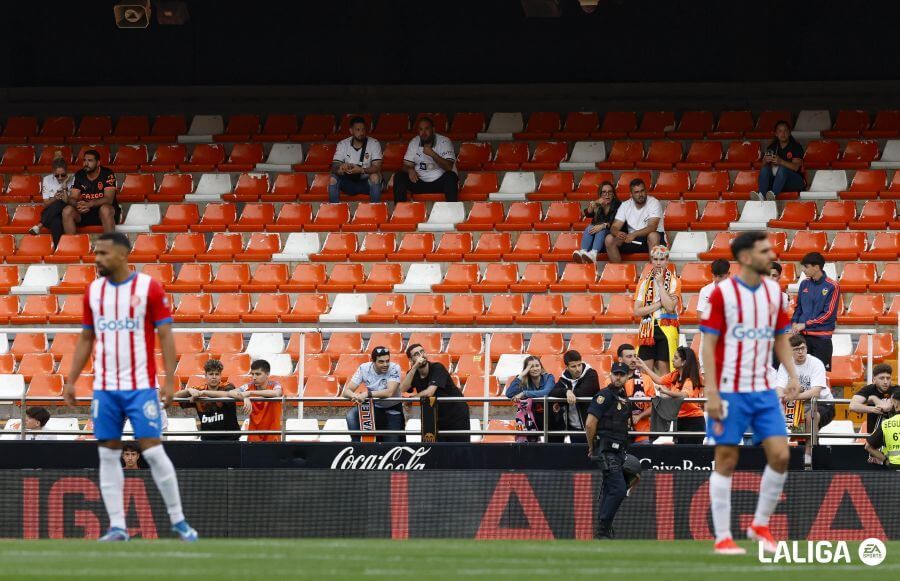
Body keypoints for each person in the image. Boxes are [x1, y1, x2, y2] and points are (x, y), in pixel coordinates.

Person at [61, 231, 197, 542]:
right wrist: (70, 379)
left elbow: (165, 334)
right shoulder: (93, 292)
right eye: (95, 254)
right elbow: (86, 337)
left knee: (153, 450)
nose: (97, 259)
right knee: (108, 455)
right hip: (105, 389)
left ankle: (178, 520)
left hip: (140, 387)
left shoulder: (148, 287)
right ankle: (117, 526)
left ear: (122, 255)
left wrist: (170, 380)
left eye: (103, 254)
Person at [700, 230, 799, 555]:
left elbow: (781, 338)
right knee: (726, 459)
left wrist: (792, 374)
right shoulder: (722, 294)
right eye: (764, 251)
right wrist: (711, 392)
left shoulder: (774, 292)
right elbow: (708, 345)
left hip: (763, 389)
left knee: (781, 454)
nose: (771, 255)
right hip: (729, 390)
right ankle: (723, 537)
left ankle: (760, 524)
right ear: (745, 258)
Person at [585, 362, 640, 539]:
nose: (618, 377)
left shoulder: (624, 399)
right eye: (615, 374)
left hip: (618, 451)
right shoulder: (604, 395)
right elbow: (589, 423)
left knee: (611, 490)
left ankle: (602, 531)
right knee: (618, 489)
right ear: (610, 375)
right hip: (606, 450)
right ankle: (603, 528)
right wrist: (592, 445)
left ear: (627, 377)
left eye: (622, 375)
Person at [777, 335, 833, 465]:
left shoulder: (816, 363)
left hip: (823, 404)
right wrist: (786, 397)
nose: (800, 352)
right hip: (796, 404)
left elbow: (816, 392)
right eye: (796, 349)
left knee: (810, 416)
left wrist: (793, 395)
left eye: (803, 348)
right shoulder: (785, 364)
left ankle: (809, 454)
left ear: (807, 348)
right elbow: (779, 389)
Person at [399, 344, 470, 442]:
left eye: (422, 352)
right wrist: (414, 367)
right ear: (411, 360)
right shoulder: (413, 372)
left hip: (455, 413)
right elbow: (403, 388)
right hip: (434, 415)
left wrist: (411, 399)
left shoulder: (437, 368)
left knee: (459, 449)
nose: (421, 355)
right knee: (434, 450)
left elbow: (429, 392)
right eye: (416, 354)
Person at [636, 347, 705, 444]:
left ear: (684, 362)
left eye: (676, 358)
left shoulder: (690, 379)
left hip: (694, 421)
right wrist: (644, 366)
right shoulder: (674, 375)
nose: (672, 360)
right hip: (680, 419)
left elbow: (683, 395)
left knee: (692, 454)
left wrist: (666, 392)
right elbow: (658, 380)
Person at [633, 245, 681, 375]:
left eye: (662, 259)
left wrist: (660, 284)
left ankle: (665, 395)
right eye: (655, 259)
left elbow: (670, 308)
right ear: (651, 260)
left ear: (667, 260)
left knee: (665, 370)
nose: (658, 263)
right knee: (644, 370)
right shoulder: (643, 282)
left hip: (667, 328)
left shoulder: (674, 281)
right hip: (647, 328)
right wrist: (660, 303)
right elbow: (637, 312)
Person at [342, 346, 404, 442]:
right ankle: (357, 445)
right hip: (375, 408)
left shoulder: (395, 367)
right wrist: (356, 397)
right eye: (381, 361)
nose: (385, 364)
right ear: (373, 361)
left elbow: (389, 392)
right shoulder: (364, 368)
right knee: (351, 415)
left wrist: (368, 394)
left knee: (391, 445)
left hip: (394, 409)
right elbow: (346, 391)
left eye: (387, 361)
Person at [791, 252, 839, 371]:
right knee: (800, 375)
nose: (803, 270)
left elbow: (828, 314)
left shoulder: (832, 286)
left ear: (816, 267)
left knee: (817, 377)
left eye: (806, 267)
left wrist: (805, 324)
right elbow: (799, 307)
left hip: (821, 340)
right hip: (802, 339)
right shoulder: (804, 283)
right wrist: (794, 322)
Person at [393, 117, 458, 203]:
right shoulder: (414, 142)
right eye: (421, 129)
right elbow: (405, 166)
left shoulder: (444, 141)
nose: (423, 133)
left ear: (433, 130)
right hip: (420, 182)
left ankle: (452, 211)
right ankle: (400, 212)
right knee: (399, 176)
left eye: (426, 129)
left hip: (440, 183)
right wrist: (410, 170)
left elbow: (449, 167)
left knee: (451, 176)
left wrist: (433, 154)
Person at [174, 359, 240, 441]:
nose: (214, 377)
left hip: (230, 438)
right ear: (205, 375)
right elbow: (175, 396)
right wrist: (188, 390)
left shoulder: (228, 387)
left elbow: (228, 394)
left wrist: (204, 393)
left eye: (217, 374)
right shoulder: (199, 390)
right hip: (207, 439)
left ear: (221, 375)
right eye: (211, 374)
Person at [604, 178, 666, 264]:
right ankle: (618, 273)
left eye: (642, 191)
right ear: (631, 195)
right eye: (636, 192)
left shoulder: (654, 203)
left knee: (653, 235)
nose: (640, 194)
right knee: (609, 239)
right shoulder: (625, 205)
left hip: (651, 238)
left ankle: (655, 273)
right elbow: (614, 226)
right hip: (632, 239)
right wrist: (617, 233)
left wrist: (634, 234)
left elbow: (652, 227)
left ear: (646, 191)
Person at [62, 149, 120, 235]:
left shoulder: (107, 173)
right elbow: (72, 198)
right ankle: (72, 245)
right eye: (84, 160)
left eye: (90, 161)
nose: (86, 163)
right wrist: (78, 205)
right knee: (67, 210)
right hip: (85, 212)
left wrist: (89, 204)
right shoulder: (79, 174)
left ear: (98, 163)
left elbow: (109, 199)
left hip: (103, 213)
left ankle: (110, 245)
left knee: (105, 209)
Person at [548, 350, 600, 443]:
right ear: (567, 367)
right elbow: (552, 392)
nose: (578, 369)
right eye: (573, 366)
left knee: (593, 456)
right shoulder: (564, 379)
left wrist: (562, 401)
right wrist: (566, 391)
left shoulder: (591, 374)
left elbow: (583, 393)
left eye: (579, 365)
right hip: (574, 428)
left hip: (593, 426)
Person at [328, 116, 383, 203]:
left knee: (375, 176)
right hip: (348, 182)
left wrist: (361, 170)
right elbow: (334, 166)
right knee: (333, 179)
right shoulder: (343, 144)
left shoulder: (374, 143)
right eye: (358, 129)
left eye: (363, 129)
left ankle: (375, 210)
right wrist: (342, 167)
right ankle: (334, 211)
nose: (361, 132)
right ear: (351, 131)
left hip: (366, 182)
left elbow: (377, 167)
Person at [504, 355, 557, 442]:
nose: (535, 369)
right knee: (530, 449)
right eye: (531, 367)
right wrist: (521, 375)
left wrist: (525, 393)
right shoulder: (524, 381)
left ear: (541, 367)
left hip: (550, 419)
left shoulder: (548, 377)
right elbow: (509, 393)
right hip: (530, 419)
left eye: (537, 365)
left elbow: (546, 392)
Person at [752, 120, 805, 201]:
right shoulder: (772, 147)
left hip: (795, 181)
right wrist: (765, 161)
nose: (783, 134)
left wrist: (781, 161)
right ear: (776, 134)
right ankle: (761, 195)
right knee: (765, 169)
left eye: (785, 131)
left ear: (789, 132)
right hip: (778, 181)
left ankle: (773, 194)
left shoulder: (796, 146)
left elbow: (796, 167)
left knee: (782, 169)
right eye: (780, 131)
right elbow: (763, 168)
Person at [234, 359, 282, 443]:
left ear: (267, 374)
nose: (254, 377)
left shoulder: (275, 385)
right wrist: (244, 398)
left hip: (272, 437)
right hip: (253, 437)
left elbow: (277, 393)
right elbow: (232, 392)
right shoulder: (249, 386)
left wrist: (250, 393)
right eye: (252, 374)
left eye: (258, 374)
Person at [30, 153, 74, 245]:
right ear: (53, 172)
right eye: (57, 175)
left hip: (67, 212)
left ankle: (40, 225)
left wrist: (65, 185)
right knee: (55, 221)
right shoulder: (47, 179)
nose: (60, 178)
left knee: (61, 202)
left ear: (67, 171)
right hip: (53, 213)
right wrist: (54, 198)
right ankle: (58, 248)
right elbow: (46, 204)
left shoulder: (73, 179)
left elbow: (67, 201)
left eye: (63, 175)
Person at [617, 343, 654, 444]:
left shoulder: (646, 379)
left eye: (635, 356)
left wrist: (640, 416)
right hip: (618, 434)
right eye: (629, 357)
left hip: (642, 436)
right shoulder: (612, 380)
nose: (633, 360)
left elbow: (654, 406)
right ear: (620, 359)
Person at [574, 181, 619, 264]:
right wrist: (592, 205)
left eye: (610, 192)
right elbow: (587, 213)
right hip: (597, 240)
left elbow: (616, 224)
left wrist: (604, 225)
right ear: (600, 194)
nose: (607, 194)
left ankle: (594, 254)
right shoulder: (599, 205)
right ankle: (583, 252)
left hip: (611, 239)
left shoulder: (618, 205)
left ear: (613, 194)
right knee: (589, 227)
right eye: (604, 192)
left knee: (601, 228)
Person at [849, 363, 899, 437]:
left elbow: (886, 407)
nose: (885, 382)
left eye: (888, 378)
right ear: (874, 380)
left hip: (893, 435)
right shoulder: (868, 389)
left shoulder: (896, 390)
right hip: (874, 436)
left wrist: (873, 398)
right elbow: (852, 406)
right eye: (881, 378)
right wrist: (871, 409)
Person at [863, 390, 900, 469]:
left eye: (891, 402)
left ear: (896, 403)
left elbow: (868, 447)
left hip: (895, 467)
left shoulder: (886, 424)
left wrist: (885, 461)